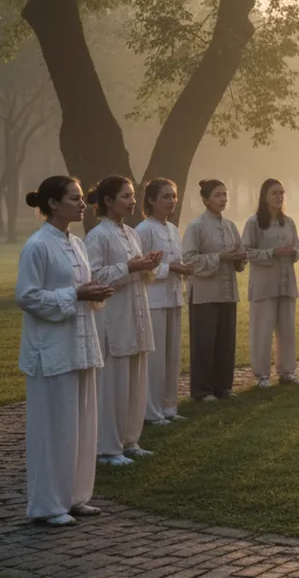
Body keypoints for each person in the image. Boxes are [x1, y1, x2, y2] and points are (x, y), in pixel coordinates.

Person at [17, 176, 114, 526]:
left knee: (82, 424)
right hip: (51, 351)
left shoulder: (77, 243)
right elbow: (27, 296)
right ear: (54, 204)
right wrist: (76, 295)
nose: (82, 203)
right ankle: (47, 505)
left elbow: (80, 289)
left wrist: (94, 293)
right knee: (53, 429)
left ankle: (75, 497)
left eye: (80, 198)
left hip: (81, 344)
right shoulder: (37, 246)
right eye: (74, 198)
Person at [85, 177, 161, 465]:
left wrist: (148, 265)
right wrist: (130, 266)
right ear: (107, 201)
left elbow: (138, 272)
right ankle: (107, 447)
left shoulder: (131, 233)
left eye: (132, 196)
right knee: (113, 385)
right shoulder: (98, 235)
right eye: (126, 196)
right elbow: (93, 276)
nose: (132, 202)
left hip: (138, 311)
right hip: (114, 315)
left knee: (136, 381)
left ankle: (130, 440)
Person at [182, 179, 247, 402]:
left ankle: (223, 387)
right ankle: (202, 390)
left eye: (225, 195)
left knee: (225, 341)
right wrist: (220, 257)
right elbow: (189, 259)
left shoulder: (230, 225)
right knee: (204, 342)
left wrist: (239, 259)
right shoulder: (196, 226)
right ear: (205, 199)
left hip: (227, 291)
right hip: (204, 293)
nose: (222, 199)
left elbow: (239, 254)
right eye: (218, 195)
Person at [135, 178, 192, 425]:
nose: (171, 201)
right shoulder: (144, 230)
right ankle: (151, 410)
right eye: (166, 197)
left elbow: (175, 261)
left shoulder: (172, 229)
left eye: (174, 196)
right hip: (153, 299)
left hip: (173, 296)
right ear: (151, 200)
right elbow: (141, 267)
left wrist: (182, 269)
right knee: (155, 359)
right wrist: (170, 268)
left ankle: (169, 406)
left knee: (172, 356)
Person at [242, 178, 299, 388]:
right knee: (263, 330)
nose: (278, 197)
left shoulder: (289, 222)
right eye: (274, 193)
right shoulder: (254, 223)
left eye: (281, 193)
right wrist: (272, 253)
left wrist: (293, 252)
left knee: (287, 329)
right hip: (264, 284)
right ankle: (262, 375)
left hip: (286, 282)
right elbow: (246, 251)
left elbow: (298, 248)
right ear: (265, 197)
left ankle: (287, 371)